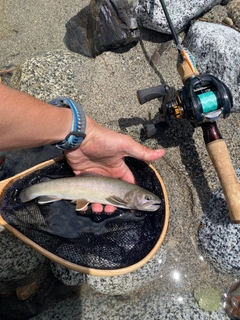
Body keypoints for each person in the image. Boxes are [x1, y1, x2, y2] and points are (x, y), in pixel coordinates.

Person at [0, 82, 165, 212]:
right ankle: (26, 193)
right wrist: (83, 134)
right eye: (147, 199)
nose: (149, 201)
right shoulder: (123, 199)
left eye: (147, 199)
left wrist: (84, 133)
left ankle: (28, 193)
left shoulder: (126, 196)